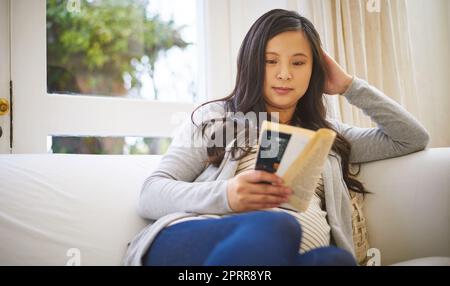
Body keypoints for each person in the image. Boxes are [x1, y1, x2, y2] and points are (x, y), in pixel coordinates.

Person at [123, 9, 429, 266]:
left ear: (315, 70)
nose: (284, 74)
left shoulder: (329, 135)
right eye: (271, 61)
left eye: (298, 62)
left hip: (281, 260)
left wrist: (348, 85)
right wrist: (227, 195)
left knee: (335, 261)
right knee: (277, 224)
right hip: (201, 242)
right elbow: (150, 194)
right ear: (252, 65)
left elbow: (410, 137)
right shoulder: (216, 118)